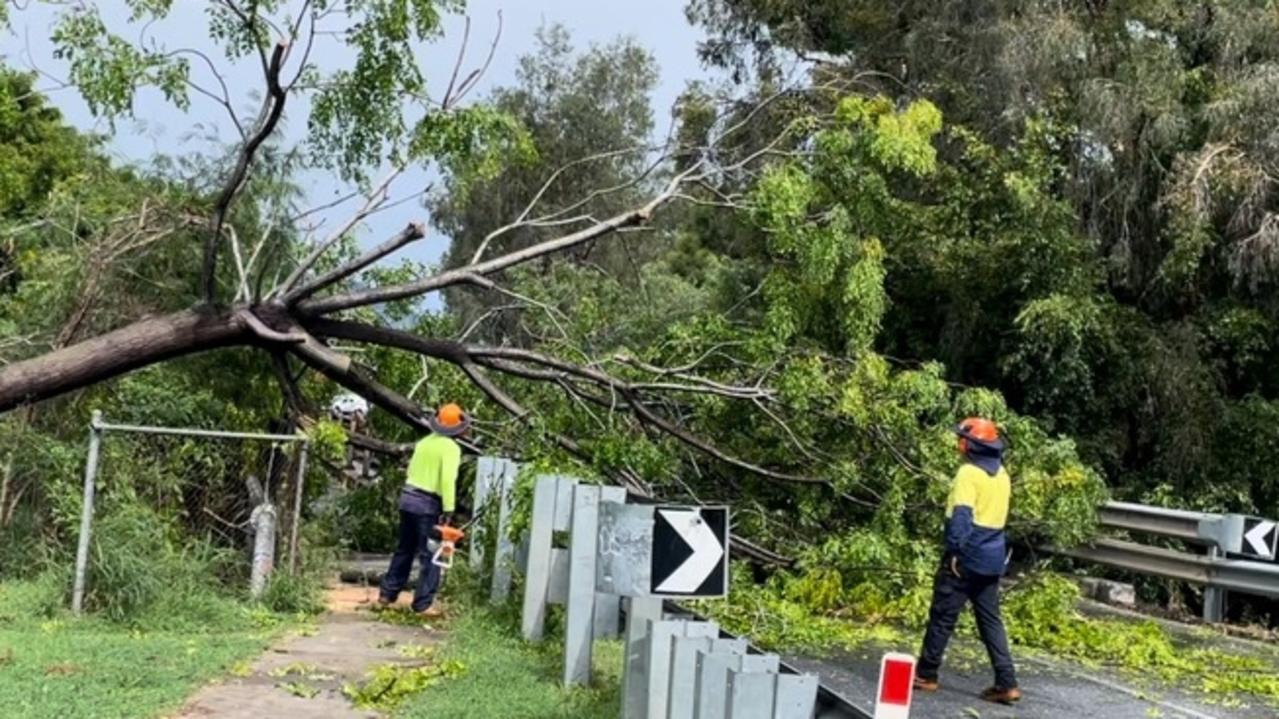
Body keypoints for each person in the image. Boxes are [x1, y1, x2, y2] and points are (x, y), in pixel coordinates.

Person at [913, 417, 1021, 705]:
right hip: (992, 558)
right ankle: (1007, 682)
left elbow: (962, 516)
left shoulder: (968, 474)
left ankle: (926, 674)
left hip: (967, 556)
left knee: (943, 615)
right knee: (990, 621)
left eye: (962, 439)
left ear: (970, 446)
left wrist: (955, 553)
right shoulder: (1002, 475)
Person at [378, 403, 469, 616]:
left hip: (407, 499)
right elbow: (448, 480)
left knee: (405, 548)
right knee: (431, 553)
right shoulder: (451, 448)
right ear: (457, 428)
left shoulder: (424, 443)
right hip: (428, 505)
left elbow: (411, 470)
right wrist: (449, 510)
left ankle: (387, 594)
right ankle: (422, 604)